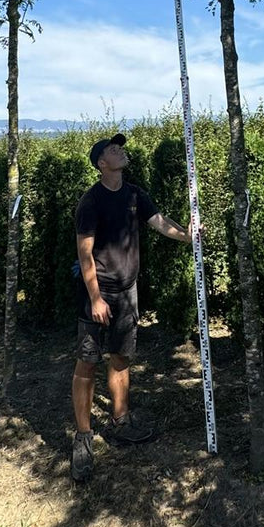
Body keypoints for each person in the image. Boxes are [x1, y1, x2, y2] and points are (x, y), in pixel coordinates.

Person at [71, 132, 194, 482]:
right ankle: (83, 437)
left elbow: (160, 223)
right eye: (112, 149)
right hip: (98, 292)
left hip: (127, 292)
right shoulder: (90, 202)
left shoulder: (135, 195)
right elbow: (85, 252)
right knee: (86, 364)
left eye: (119, 147)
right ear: (101, 164)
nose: (119, 151)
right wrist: (95, 296)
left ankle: (120, 421)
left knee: (121, 359)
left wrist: (187, 235)